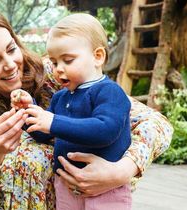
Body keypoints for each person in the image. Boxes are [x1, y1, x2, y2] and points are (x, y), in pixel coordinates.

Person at [0, 8, 173, 210]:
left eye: (11, 49)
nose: (10, 65)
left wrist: (122, 171)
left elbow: (157, 124)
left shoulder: (59, 74)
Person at [10, 13, 132, 209]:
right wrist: (28, 110)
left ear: (97, 56)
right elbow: (44, 133)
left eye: (68, 60)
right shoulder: (60, 97)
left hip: (105, 189)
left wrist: (53, 122)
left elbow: (106, 130)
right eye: (55, 62)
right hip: (66, 186)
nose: (58, 69)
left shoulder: (110, 92)